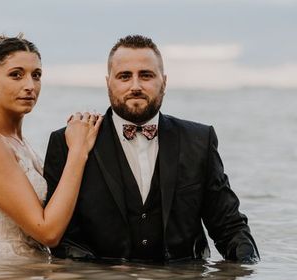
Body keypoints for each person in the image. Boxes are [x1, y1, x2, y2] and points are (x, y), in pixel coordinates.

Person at [43, 35, 259, 263]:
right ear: (108, 82)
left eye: (146, 75)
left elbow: (229, 226)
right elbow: (64, 240)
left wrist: (247, 279)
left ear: (164, 82)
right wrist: (102, 276)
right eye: (124, 76)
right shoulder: (67, 142)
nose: (135, 86)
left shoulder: (199, 141)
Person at [0, 34, 102, 261]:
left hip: (25, 273)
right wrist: (78, 151)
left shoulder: (17, 142)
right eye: (16, 75)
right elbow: (47, 232)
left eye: (36, 76)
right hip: (0, 275)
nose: (30, 86)